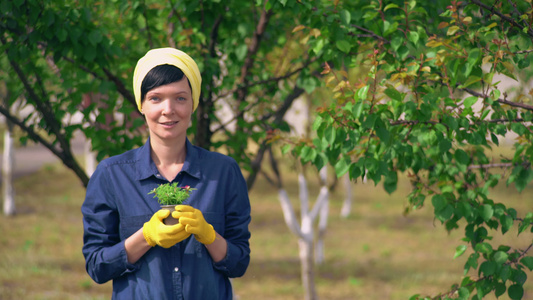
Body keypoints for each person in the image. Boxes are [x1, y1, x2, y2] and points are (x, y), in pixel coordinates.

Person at [81, 48, 251, 300]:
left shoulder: (223, 172)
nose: (168, 109)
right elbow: (97, 266)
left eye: (180, 98)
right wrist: (146, 237)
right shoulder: (111, 175)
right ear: (141, 105)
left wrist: (209, 236)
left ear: (193, 103)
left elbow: (239, 263)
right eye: (156, 98)